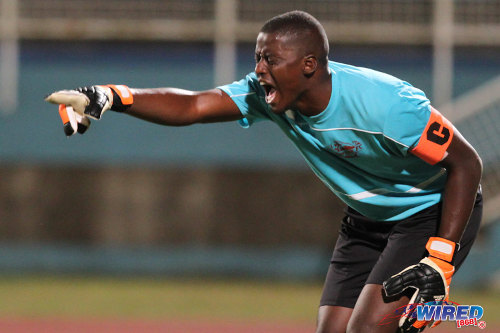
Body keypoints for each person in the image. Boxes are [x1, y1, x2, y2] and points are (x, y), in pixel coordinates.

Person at [45, 10, 483, 333]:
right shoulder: (267, 94)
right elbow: (194, 105)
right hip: (366, 222)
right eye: (258, 58)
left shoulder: (387, 104)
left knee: (370, 330)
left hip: (429, 215)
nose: (258, 70)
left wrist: (440, 258)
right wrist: (113, 96)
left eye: (270, 59)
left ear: (308, 65)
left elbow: (467, 164)